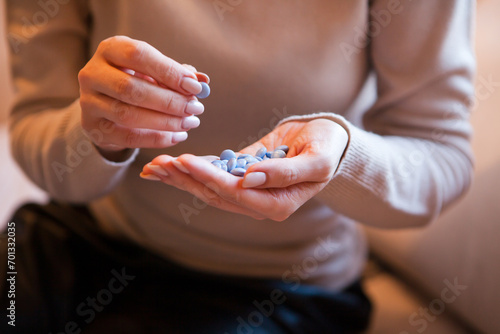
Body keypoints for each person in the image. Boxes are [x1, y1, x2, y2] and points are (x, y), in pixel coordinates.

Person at [1, 0, 475, 333]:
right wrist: (95, 133)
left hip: (280, 287)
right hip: (88, 236)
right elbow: (33, 125)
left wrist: (342, 157)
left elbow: (441, 157)